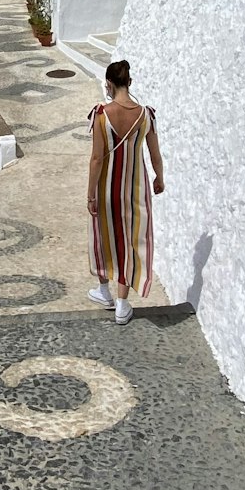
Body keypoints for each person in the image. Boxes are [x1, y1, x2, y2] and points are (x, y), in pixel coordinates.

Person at [87, 58, 164, 325]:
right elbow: (154, 153)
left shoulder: (101, 114)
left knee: (104, 236)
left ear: (109, 84)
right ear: (129, 83)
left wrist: (90, 194)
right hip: (136, 189)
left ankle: (103, 290)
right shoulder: (145, 115)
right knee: (129, 241)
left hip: (107, 187)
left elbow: (97, 158)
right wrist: (159, 178)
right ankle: (122, 304)